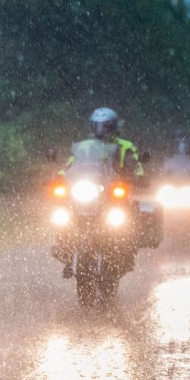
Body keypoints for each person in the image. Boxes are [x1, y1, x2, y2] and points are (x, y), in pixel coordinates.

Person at [53, 106, 144, 277]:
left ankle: (126, 252)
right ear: (91, 126)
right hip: (88, 192)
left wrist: (136, 177)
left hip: (111, 193)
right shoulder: (84, 146)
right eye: (97, 126)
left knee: (128, 218)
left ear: (114, 126)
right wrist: (58, 177)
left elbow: (136, 167)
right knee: (64, 214)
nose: (101, 130)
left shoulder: (125, 146)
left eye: (106, 126)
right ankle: (65, 247)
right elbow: (71, 165)